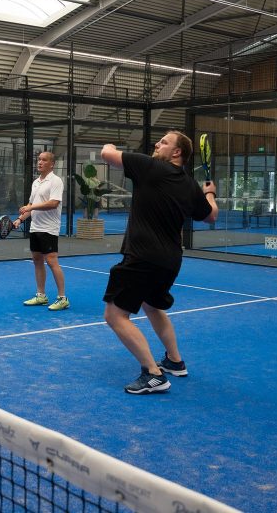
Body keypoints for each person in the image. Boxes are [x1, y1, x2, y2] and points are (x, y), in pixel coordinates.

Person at [99, 131, 218, 395]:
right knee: (152, 306)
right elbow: (210, 216)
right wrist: (209, 194)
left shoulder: (150, 166)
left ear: (177, 153)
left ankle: (153, 374)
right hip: (170, 260)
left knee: (115, 315)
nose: (157, 144)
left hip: (142, 257)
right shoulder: (190, 185)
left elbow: (107, 155)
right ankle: (175, 361)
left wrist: (109, 144)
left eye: (164, 142)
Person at [15, 151, 68, 311]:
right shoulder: (36, 182)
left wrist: (31, 207)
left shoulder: (56, 181)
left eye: (43, 160)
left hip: (49, 228)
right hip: (35, 227)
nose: (40, 162)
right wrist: (20, 219)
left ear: (51, 164)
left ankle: (62, 298)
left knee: (52, 261)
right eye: (38, 159)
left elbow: (53, 203)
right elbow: (32, 206)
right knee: (37, 260)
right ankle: (41, 295)